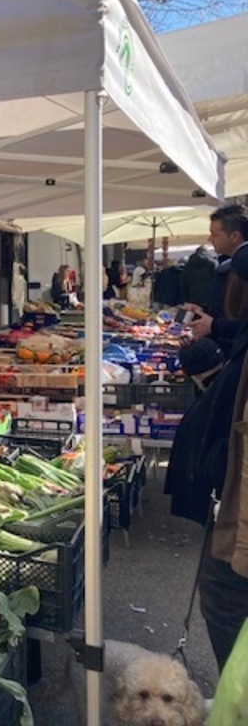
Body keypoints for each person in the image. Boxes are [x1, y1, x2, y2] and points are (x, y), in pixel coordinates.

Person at [165, 246, 248, 674]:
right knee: (221, 599)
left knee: (224, 599)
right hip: (230, 501)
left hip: (238, 512)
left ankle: (238, 701)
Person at [188, 204, 248, 354]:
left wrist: (214, 325)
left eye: (215, 234)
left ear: (234, 236)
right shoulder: (230, 263)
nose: (209, 239)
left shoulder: (242, 263)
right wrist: (204, 311)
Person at [180, 244, 218, 310]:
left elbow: (183, 283)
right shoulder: (213, 263)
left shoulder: (188, 265)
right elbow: (216, 281)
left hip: (192, 298)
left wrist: (185, 299)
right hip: (208, 299)